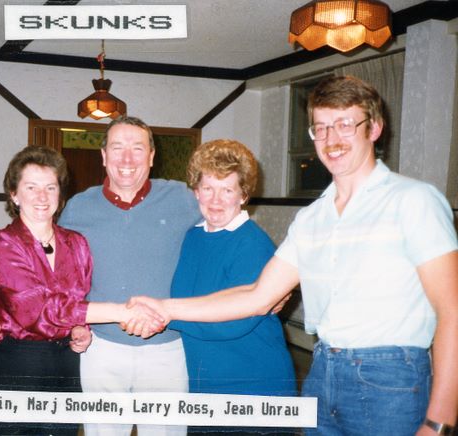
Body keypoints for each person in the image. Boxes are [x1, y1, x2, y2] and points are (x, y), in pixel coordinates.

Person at [128, 76, 458, 435]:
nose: (332, 139)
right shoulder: (312, 218)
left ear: (374, 128)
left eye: (345, 125)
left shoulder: (413, 200)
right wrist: (163, 307)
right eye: (321, 128)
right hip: (322, 370)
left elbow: (453, 310)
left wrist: (439, 421)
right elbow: (257, 295)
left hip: (390, 377)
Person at [0, 145, 163, 436]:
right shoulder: (0, 244)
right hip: (14, 366)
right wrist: (121, 312)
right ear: (14, 194)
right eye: (31, 187)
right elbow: (36, 310)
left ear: (60, 195)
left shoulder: (76, 243)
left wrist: (80, 328)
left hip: (66, 365)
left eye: (50, 187)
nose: (42, 197)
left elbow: (78, 300)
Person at [59, 115, 202, 436]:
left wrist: (265, 283)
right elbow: (63, 278)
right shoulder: (77, 208)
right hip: (101, 349)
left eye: (137, 148)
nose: (127, 159)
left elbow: (224, 231)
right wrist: (75, 324)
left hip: (168, 349)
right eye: (117, 147)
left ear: (151, 156)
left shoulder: (183, 198)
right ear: (103, 155)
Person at [170, 139, 296, 435]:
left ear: (243, 195)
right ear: (196, 190)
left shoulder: (253, 244)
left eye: (227, 190)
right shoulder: (192, 237)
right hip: (204, 387)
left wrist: (164, 315)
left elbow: (231, 322)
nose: (216, 199)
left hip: (253, 388)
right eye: (208, 188)